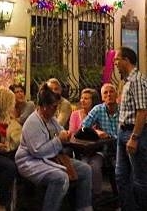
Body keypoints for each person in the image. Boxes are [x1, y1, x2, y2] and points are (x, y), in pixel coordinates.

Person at [15, 83, 93, 211]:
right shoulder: (32, 123)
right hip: (30, 161)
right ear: (45, 106)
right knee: (60, 178)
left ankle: (84, 207)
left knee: (86, 170)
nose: (56, 110)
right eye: (54, 107)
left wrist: (66, 134)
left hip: (50, 158)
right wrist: (58, 140)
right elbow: (37, 151)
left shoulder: (51, 119)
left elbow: (61, 130)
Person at [113, 46, 147, 210]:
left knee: (139, 180)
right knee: (121, 176)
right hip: (122, 132)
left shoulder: (137, 80)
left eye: (117, 59)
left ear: (126, 60)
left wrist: (134, 137)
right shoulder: (126, 82)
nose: (115, 63)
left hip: (134, 133)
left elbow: (143, 111)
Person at [79, 83, 119, 198]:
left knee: (121, 170)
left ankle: (123, 200)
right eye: (105, 93)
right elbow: (83, 127)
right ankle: (94, 197)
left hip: (121, 148)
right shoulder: (98, 109)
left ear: (116, 94)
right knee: (88, 164)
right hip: (105, 150)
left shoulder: (123, 109)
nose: (109, 94)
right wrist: (96, 132)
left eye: (111, 91)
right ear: (102, 97)